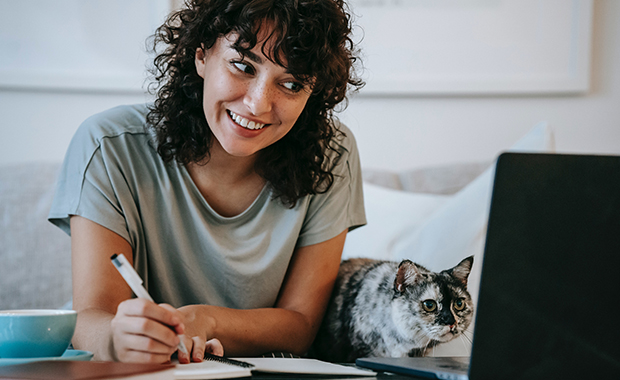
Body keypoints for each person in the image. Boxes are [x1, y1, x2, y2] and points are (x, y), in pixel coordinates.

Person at [48, 0, 365, 364]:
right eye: (243, 65)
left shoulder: (331, 154)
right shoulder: (108, 146)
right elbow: (92, 317)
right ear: (201, 55)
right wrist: (118, 339)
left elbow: (300, 325)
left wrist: (207, 319)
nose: (258, 104)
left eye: (291, 83)